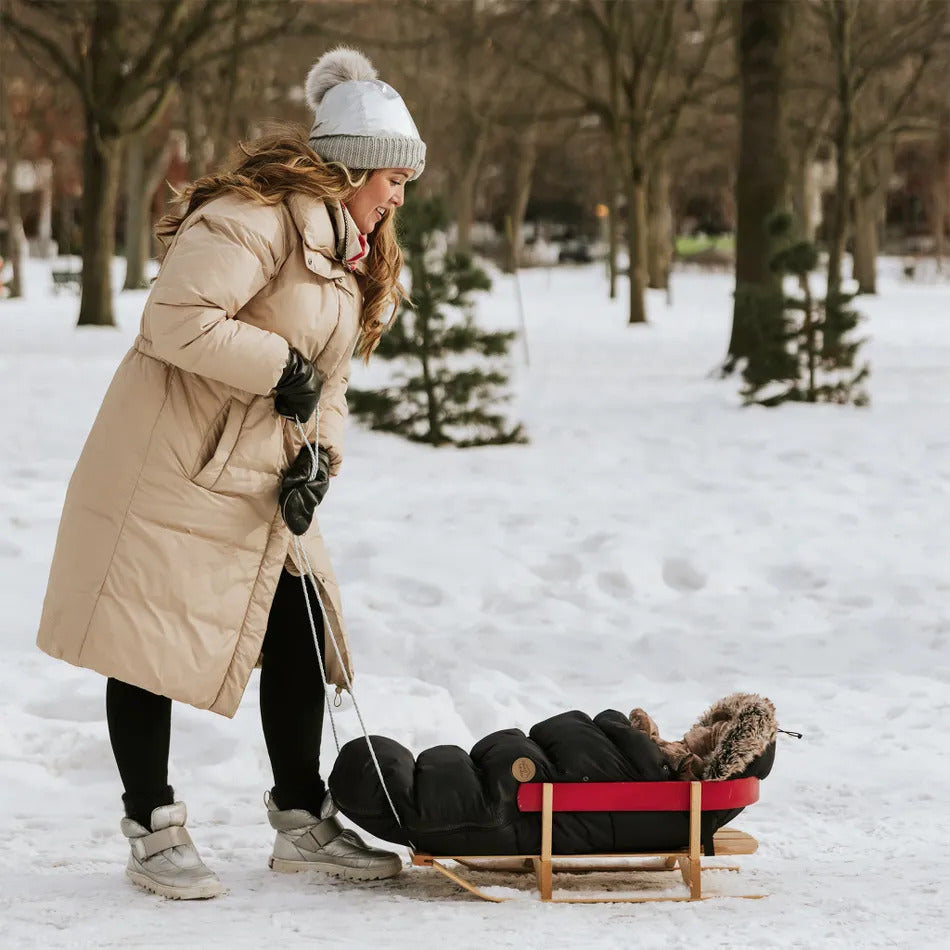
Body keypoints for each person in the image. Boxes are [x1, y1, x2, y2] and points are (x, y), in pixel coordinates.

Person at [35, 47, 425, 900]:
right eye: (392, 177)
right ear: (352, 167)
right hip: (171, 464)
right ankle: (153, 826)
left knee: (295, 627)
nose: (400, 196)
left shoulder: (346, 248)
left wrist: (321, 455)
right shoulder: (253, 219)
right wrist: (279, 366)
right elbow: (175, 320)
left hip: (257, 471)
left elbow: (332, 379)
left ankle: (301, 819)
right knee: (146, 639)